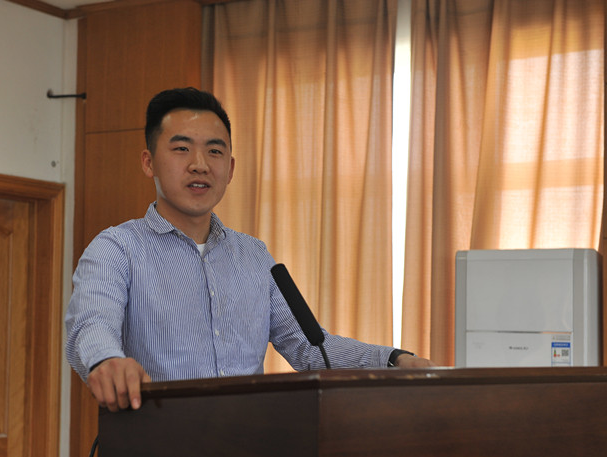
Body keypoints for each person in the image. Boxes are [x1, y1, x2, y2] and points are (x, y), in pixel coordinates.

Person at [65, 87, 433, 412]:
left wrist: (393, 360)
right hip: (157, 449)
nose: (199, 165)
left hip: (247, 447)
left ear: (230, 168)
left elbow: (310, 347)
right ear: (149, 163)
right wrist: (106, 360)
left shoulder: (254, 256)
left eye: (214, 151)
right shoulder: (117, 249)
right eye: (181, 149)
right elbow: (90, 324)